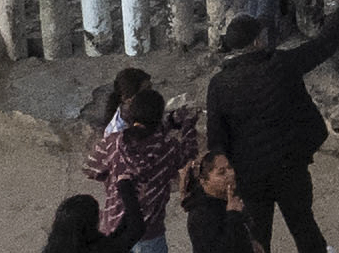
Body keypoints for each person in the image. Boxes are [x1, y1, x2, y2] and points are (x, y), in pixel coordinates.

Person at [204, 0, 339, 253]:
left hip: (250, 175)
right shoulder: (281, 65)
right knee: (304, 227)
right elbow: (324, 44)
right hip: (290, 166)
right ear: (256, 41)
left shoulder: (219, 84)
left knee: (258, 237)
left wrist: (228, 178)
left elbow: (217, 137)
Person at [81, 88, 196, 253]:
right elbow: (189, 152)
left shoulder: (112, 143)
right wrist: (188, 125)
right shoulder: (168, 148)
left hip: (114, 231)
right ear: (158, 117)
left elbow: (90, 169)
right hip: (151, 234)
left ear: (132, 114)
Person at [181, 153, 258, 253]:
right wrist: (233, 214)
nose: (230, 174)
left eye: (230, 167)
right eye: (221, 173)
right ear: (204, 181)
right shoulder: (200, 213)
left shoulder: (229, 197)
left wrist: (252, 241)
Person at [41, 195, 145, 253]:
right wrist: (127, 189)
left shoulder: (54, 246)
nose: (100, 214)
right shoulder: (99, 249)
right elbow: (136, 229)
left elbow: (114, 240)